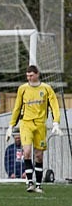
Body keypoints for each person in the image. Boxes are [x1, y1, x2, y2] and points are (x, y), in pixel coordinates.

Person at [6, 65, 62, 193]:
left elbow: (54, 106)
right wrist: (11, 126)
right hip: (26, 123)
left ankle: (38, 184)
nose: (29, 78)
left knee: (39, 156)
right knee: (26, 152)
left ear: (37, 74)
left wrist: (56, 123)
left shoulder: (46, 89)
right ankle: (30, 182)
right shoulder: (23, 89)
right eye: (27, 76)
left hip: (40, 124)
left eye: (31, 75)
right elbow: (17, 108)